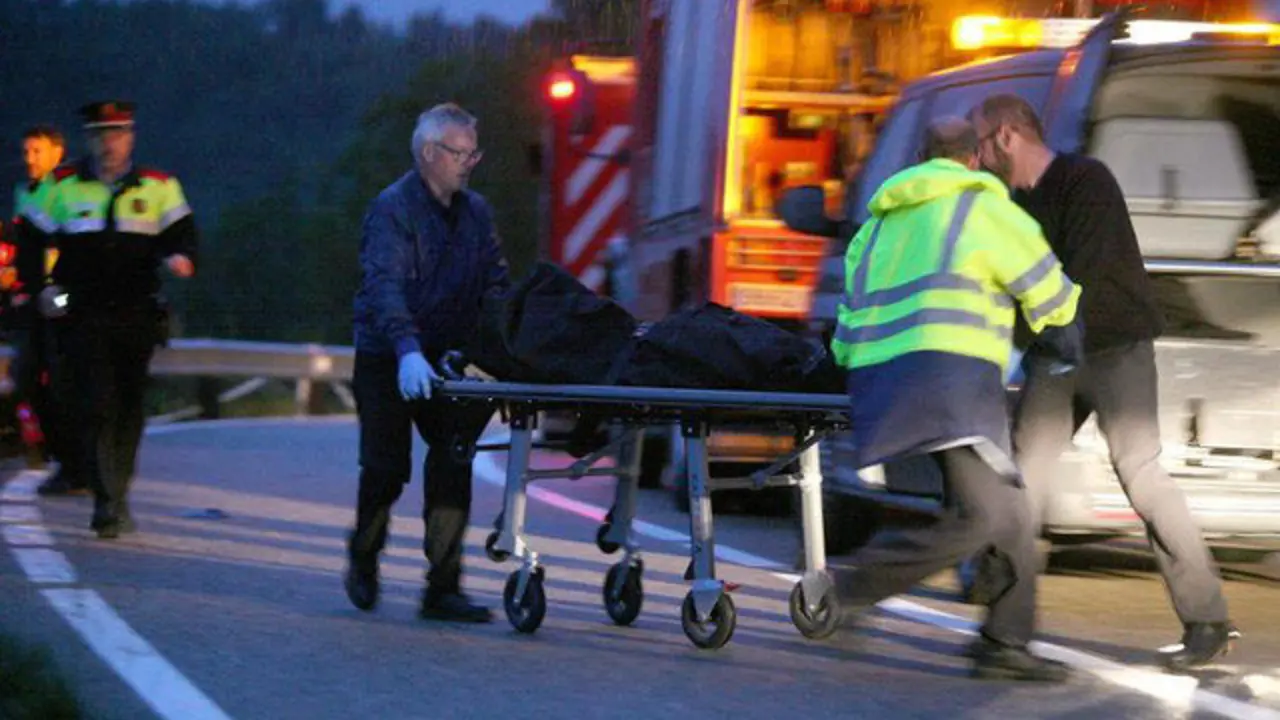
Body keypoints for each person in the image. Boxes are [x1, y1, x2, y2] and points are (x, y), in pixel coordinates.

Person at [968, 93, 1237, 670]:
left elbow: (1076, 278)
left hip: (1115, 349)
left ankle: (1208, 618)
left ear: (1009, 136)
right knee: (1025, 484)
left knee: (1141, 473)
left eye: (982, 142)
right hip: (1056, 353)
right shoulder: (1011, 202)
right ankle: (1004, 637)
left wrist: (1028, 330)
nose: (979, 153)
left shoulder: (1085, 180)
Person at [829, 117, 1082, 682]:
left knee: (1011, 511)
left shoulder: (875, 229)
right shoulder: (981, 209)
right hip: (950, 382)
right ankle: (849, 587)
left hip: (882, 384)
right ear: (973, 159)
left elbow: (846, 326)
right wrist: (1064, 327)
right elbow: (1045, 285)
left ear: (921, 159)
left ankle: (1003, 643)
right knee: (984, 516)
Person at [345, 103, 509, 623]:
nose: (469, 163)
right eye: (460, 153)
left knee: (452, 459)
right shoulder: (393, 210)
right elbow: (383, 287)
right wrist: (406, 350)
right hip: (388, 354)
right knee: (386, 467)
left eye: (474, 154)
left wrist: (499, 350)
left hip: (448, 357)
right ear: (428, 153)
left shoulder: (476, 213)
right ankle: (364, 558)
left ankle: (442, 588)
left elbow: (495, 283)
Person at [35, 101, 198, 539]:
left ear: (131, 136)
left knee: (128, 406)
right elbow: (35, 239)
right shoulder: (62, 185)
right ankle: (107, 500)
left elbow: (184, 238)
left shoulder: (159, 186)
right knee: (96, 403)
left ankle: (117, 492)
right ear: (89, 139)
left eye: (119, 132)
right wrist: (44, 286)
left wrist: (182, 259)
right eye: (102, 134)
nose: (110, 142)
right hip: (84, 314)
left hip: (137, 314)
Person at [10, 125, 77, 490]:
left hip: (61, 297)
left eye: (37, 151)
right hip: (31, 299)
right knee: (27, 375)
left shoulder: (68, 190)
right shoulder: (24, 192)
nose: (29, 159)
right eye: (26, 152)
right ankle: (53, 451)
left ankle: (71, 460)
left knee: (61, 376)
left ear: (57, 152)